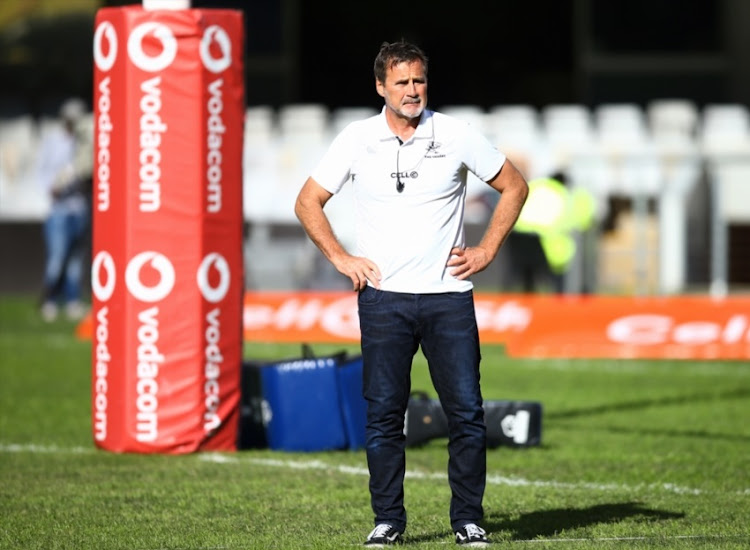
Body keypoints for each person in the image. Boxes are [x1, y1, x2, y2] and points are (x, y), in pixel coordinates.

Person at [294, 41, 528, 546]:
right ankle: (388, 521)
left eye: (419, 80)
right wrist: (341, 258)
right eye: (401, 83)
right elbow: (308, 201)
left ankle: (468, 518)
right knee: (383, 416)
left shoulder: (457, 133)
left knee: (466, 413)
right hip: (383, 300)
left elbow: (515, 186)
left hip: (448, 298)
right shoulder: (357, 139)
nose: (412, 91)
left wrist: (486, 250)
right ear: (380, 87)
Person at [36, 98, 93, 321]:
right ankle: (49, 300)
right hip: (59, 209)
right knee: (58, 257)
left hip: (80, 207)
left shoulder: (85, 141)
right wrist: (53, 187)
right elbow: (44, 172)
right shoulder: (53, 141)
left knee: (76, 259)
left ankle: (73, 300)